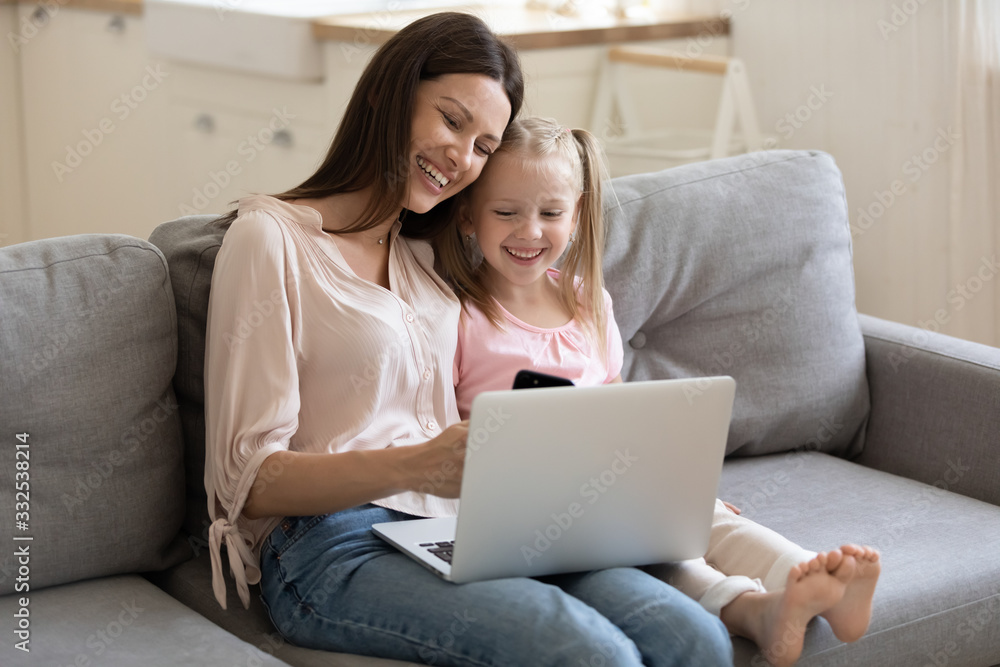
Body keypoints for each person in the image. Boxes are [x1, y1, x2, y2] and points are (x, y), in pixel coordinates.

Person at [203, 12, 733, 666]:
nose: (462, 158)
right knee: (590, 652)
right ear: (387, 93)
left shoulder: (430, 255)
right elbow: (246, 482)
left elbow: (536, 233)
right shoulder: (271, 241)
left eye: (483, 145)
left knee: (694, 636)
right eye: (452, 121)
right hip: (328, 545)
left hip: (465, 528)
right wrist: (419, 462)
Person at [437, 115, 881, 667]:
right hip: (521, 508)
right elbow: (437, 432)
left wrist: (672, 485)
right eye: (507, 213)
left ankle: (811, 580)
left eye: (551, 213)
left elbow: (621, 406)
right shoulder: (458, 315)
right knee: (654, 557)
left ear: (575, 218)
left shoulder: (586, 300)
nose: (530, 231)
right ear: (466, 218)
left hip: (608, 481)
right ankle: (756, 609)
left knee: (709, 520)